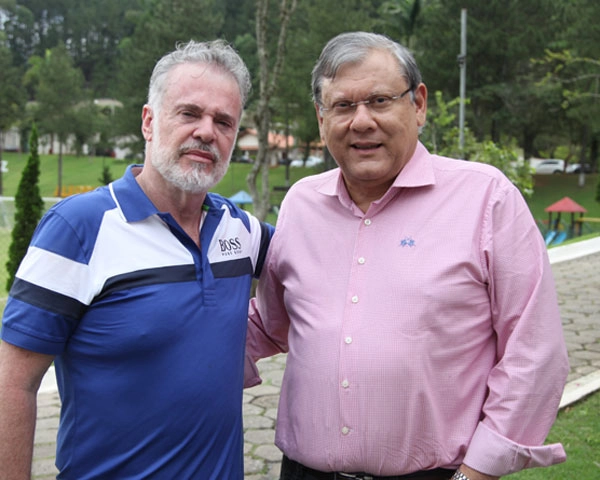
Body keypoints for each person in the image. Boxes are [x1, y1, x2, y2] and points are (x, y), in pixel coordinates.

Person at [246, 32, 569, 480]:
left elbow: (534, 352)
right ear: (321, 119)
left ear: (418, 104)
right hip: (304, 472)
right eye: (342, 106)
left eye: (379, 101)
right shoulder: (302, 204)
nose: (361, 121)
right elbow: (270, 322)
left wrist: (476, 474)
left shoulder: (485, 198)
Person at [0, 39, 273, 479]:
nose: (207, 131)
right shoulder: (78, 228)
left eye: (224, 121)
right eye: (189, 113)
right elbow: (13, 384)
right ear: (149, 121)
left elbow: (318, 258)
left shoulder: (239, 228)